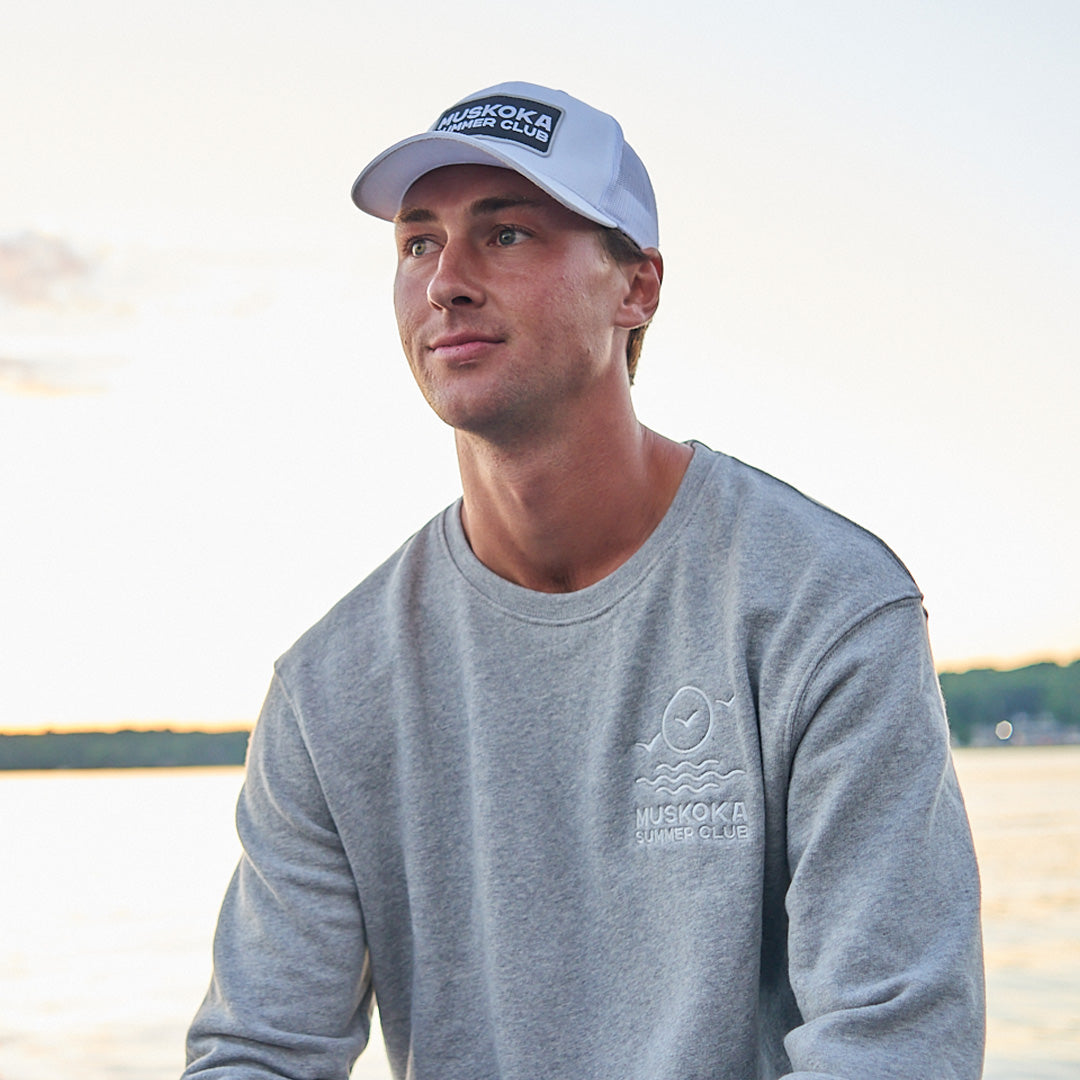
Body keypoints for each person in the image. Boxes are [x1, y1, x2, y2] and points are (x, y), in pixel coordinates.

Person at [183, 82, 985, 1079]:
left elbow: (892, 1041)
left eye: (507, 234)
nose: (446, 282)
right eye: (419, 243)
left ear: (636, 286)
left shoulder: (823, 607)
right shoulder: (330, 689)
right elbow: (260, 1047)